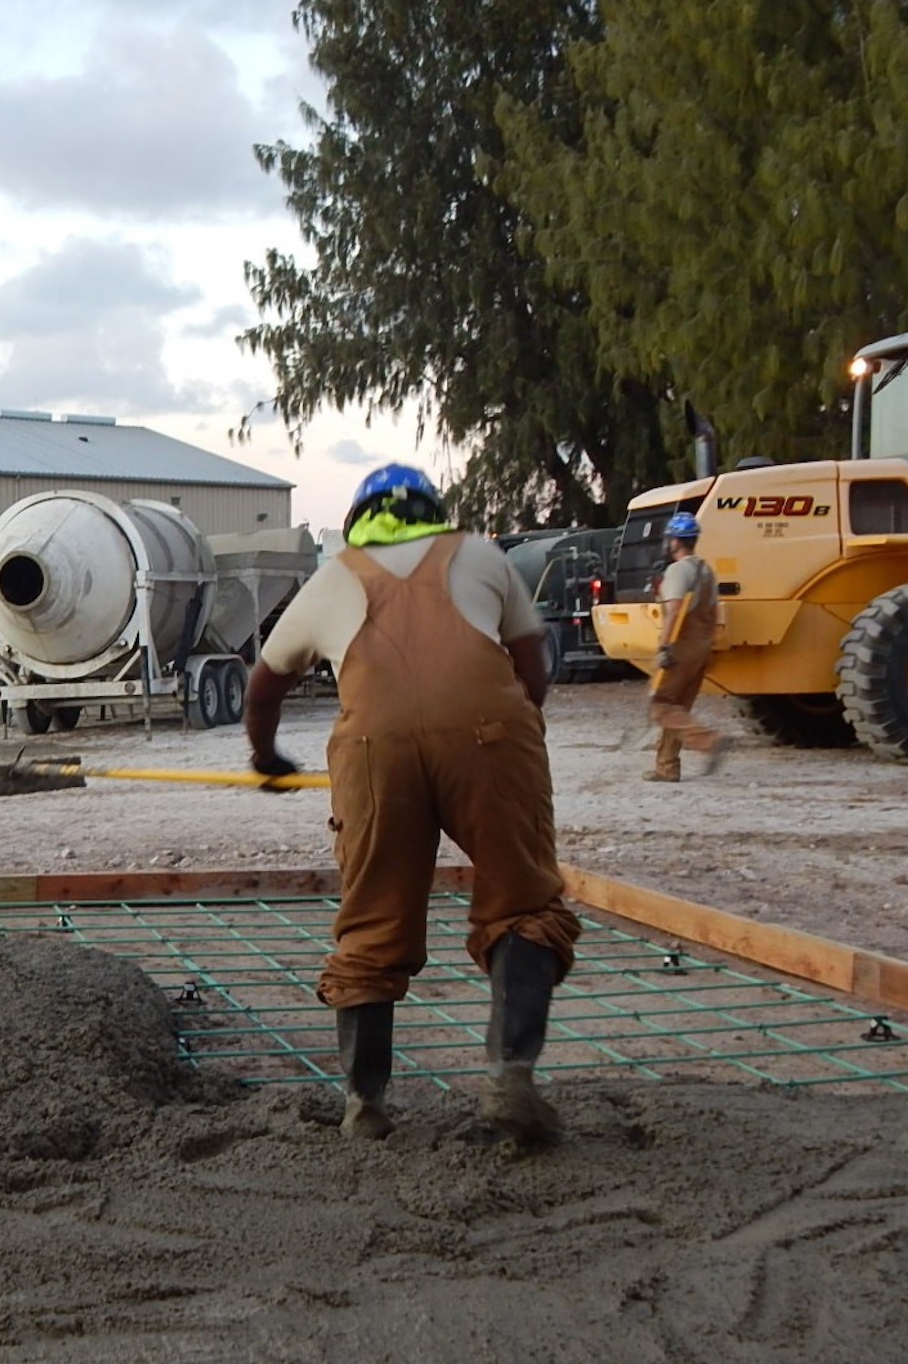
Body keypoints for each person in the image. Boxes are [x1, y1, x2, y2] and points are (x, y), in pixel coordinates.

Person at [243, 465, 582, 1147]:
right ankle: (510, 1077)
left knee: (371, 920)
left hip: (373, 749)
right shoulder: (481, 554)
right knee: (523, 901)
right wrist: (510, 737)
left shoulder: (334, 575)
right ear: (435, 510)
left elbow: (264, 683)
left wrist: (267, 755)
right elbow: (530, 661)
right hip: (491, 733)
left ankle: (365, 1104)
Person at [642, 510, 728, 782]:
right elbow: (714, 612)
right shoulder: (706, 571)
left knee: (660, 707)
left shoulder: (678, 570)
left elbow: (674, 611)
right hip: (701, 646)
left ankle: (711, 741)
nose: (668, 543)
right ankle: (666, 767)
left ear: (677, 541)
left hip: (680, 646)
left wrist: (664, 647)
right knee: (677, 707)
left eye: (670, 538)